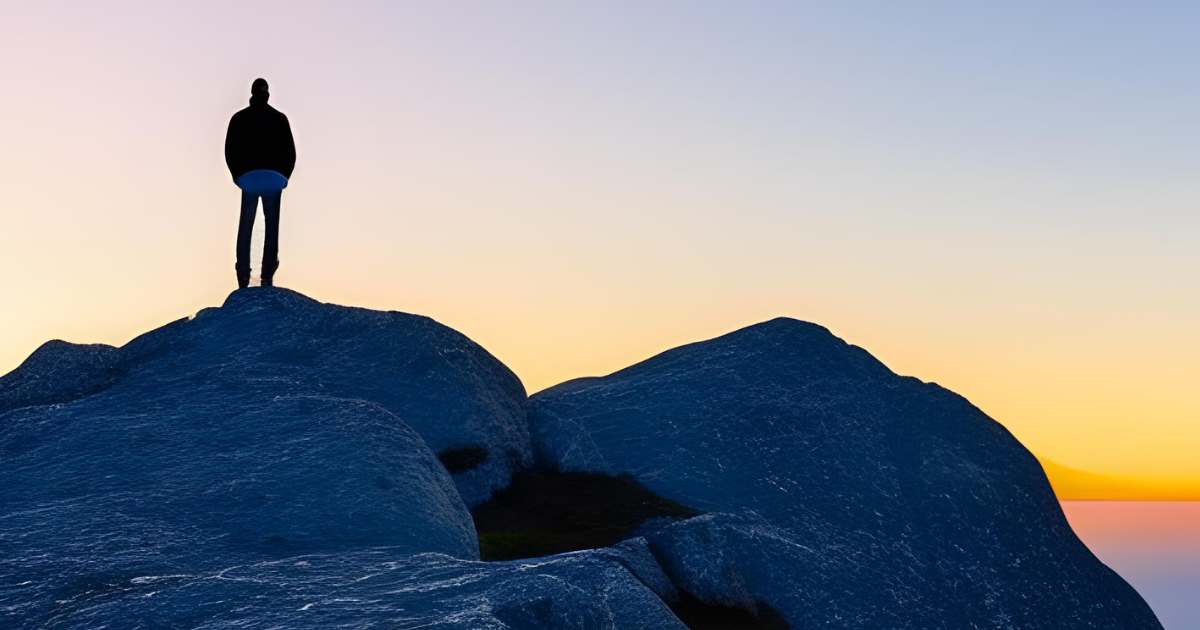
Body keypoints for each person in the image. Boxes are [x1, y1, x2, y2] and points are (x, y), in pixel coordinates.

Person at [224, 78, 296, 288]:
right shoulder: (279, 119)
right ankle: (267, 274)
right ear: (267, 95)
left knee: (246, 224)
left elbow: (230, 150)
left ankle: (243, 276)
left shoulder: (239, 118)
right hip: (274, 176)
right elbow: (290, 152)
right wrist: (284, 177)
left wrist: (237, 176)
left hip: (249, 175)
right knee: (271, 224)